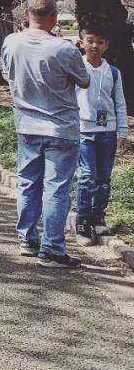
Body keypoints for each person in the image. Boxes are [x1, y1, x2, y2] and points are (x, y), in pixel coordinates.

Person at [1, 0, 90, 268]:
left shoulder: (11, 42)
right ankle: (52, 248)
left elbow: (7, 72)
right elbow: (85, 80)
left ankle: (27, 238)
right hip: (61, 127)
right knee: (56, 188)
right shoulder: (64, 49)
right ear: (54, 17)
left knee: (28, 182)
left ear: (27, 14)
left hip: (26, 124)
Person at [73, 18, 128, 246]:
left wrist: (122, 132)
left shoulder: (113, 73)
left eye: (100, 42)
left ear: (106, 45)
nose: (95, 45)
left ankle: (98, 216)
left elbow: (120, 103)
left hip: (107, 131)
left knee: (104, 178)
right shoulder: (76, 69)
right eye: (90, 41)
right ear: (82, 43)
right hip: (84, 131)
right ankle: (83, 221)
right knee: (87, 177)